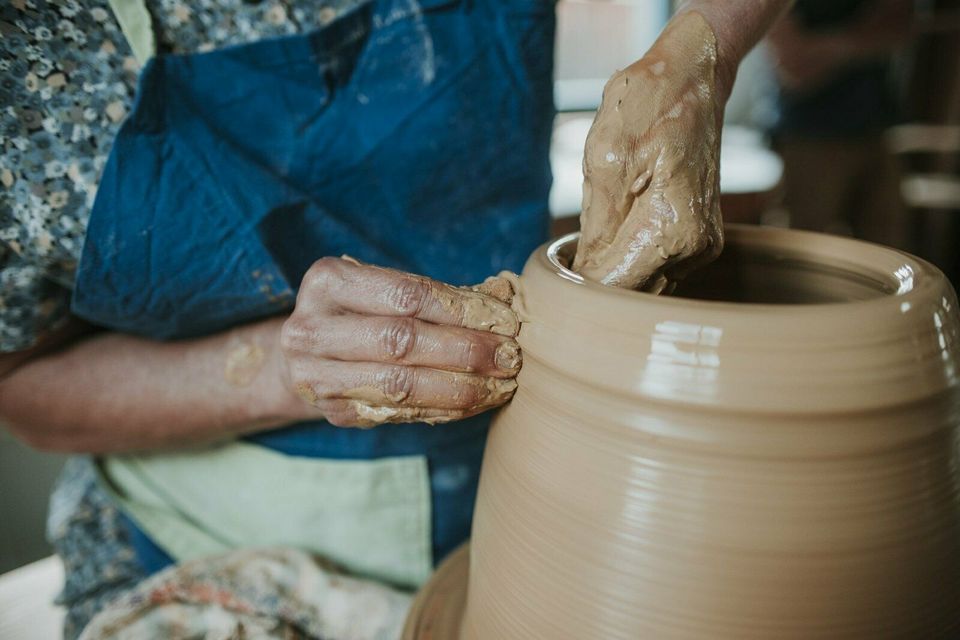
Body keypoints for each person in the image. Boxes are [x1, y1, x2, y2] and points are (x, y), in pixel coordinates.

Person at [0, 1, 791, 636]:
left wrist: (705, 45)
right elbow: (21, 388)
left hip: (519, 494)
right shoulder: (33, 48)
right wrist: (281, 366)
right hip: (205, 529)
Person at [766, 0, 914, 247]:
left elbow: (902, 26)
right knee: (803, 251)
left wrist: (825, 47)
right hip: (810, 136)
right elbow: (793, 63)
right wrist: (863, 38)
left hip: (876, 129)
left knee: (891, 254)